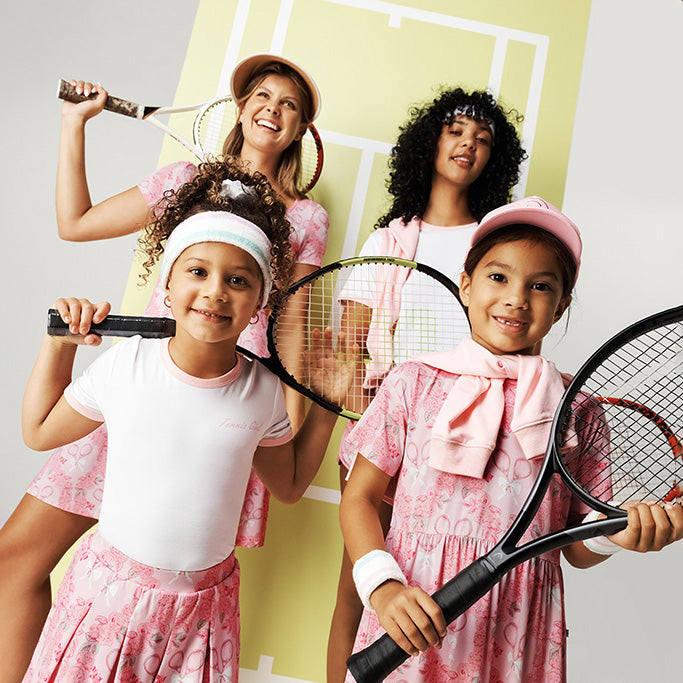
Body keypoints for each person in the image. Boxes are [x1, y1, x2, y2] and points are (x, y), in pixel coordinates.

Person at [0, 54, 327, 682]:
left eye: (290, 105)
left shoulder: (306, 219)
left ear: (302, 130)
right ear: (240, 108)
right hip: (140, 396)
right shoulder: (185, 179)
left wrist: (292, 421)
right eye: (263, 95)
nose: (273, 110)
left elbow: (289, 329)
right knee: (16, 561)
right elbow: (75, 224)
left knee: (170, 591)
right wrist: (75, 123)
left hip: (220, 410)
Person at [339, 196, 683, 682]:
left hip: (520, 633)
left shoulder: (577, 408)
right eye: (498, 277)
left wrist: (619, 536)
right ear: (465, 285)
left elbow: (577, 545)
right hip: (413, 610)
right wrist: (383, 587)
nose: (516, 298)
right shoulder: (413, 382)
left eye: (540, 286)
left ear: (562, 305)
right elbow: (359, 497)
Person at [327, 87, 526, 682]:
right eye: (456, 131)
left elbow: (516, 354)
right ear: (429, 143)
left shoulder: (497, 243)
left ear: (494, 159)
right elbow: (347, 350)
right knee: (362, 588)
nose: (468, 144)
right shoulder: (388, 242)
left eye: (483, 139)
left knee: (453, 590)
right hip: (389, 433)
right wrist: (375, 424)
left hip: (468, 440)